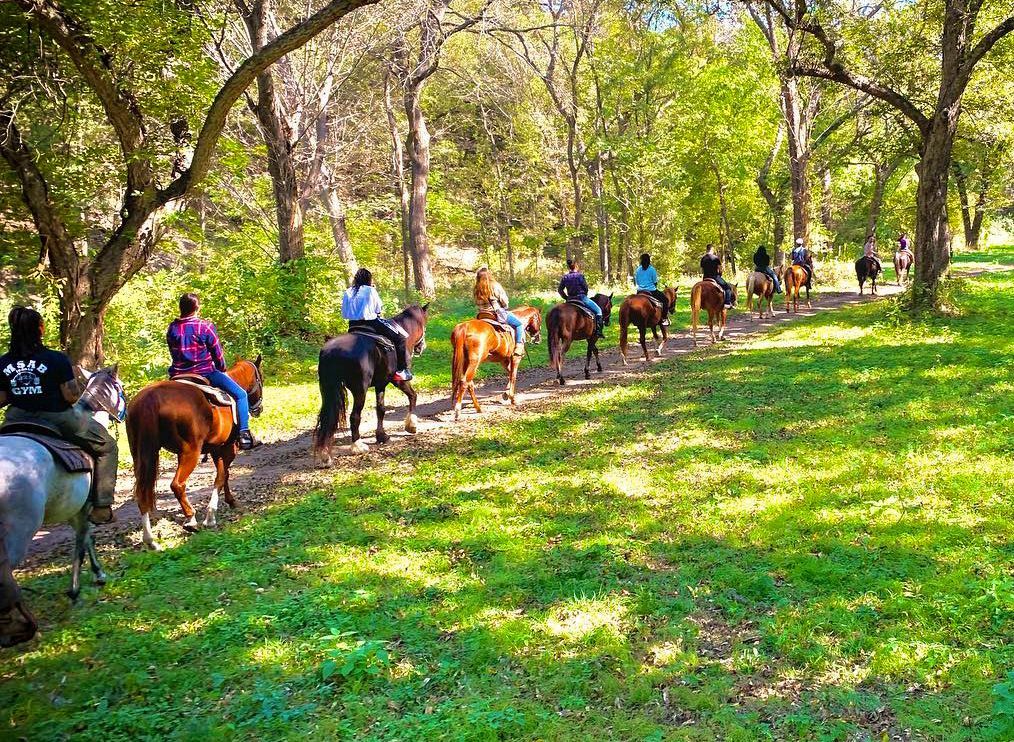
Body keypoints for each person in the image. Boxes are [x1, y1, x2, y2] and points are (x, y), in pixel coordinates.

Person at [0, 307, 118, 524]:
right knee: (107, 446)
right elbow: (71, 396)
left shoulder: (3, 362)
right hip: (56, 416)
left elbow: (1, 398)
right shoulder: (56, 359)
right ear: (40, 329)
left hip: (16, 418)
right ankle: (102, 506)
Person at [167, 293, 262, 450]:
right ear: (197, 308)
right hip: (204, 372)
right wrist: (221, 368)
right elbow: (217, 353)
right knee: (241, 395)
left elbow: (172, 351)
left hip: (178, 374)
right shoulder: (205, 326)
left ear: (181, 308)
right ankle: (244, 433)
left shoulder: (172, 328)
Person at [341, 269, 414, 382]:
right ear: (368, 279)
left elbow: (344, 312)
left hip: (352, 325)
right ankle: (402, 370)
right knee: (400, 338)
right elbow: (378, 308)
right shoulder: (370, 290)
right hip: (371, 324)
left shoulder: (348, 291)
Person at [474, 268, 525, 357]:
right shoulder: (495, 285)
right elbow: (504, 301)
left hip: (482, 315)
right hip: (495, 314)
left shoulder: (476, 288)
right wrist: (505, 307)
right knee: (519, 324)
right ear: (489, 275)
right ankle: (519, 346)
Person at [557, 259, 604, 338]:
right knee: (598, 311)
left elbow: (560, 290)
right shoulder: (580, 276)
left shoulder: (565, 277)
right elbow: (585, 288)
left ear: (569, 267)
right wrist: (584, 295)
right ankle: (598, 332)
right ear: (576, 266)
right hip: (581, 298)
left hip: (570, 299)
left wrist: (566, 298)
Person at [634, 253, 670, 326]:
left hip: (640, 291)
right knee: (665, 300)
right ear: (649, 260)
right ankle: (664, 318)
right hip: (651, 291)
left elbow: (637, 281)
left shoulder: (638, 269)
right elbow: (655, 282)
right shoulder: (652, 269)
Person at [700, 244, 734, 309]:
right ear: (712, 249)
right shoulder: (715, 258)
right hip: (715, 277)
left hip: (705, 278)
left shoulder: (703, 258)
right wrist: (720, 274)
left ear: (707, 249)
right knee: (728, 288)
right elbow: (720, 269)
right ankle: (727, 303)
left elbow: (702, 270)